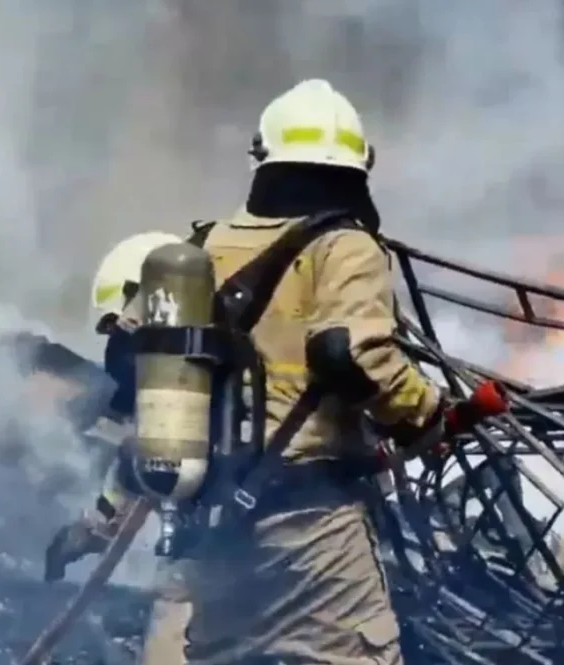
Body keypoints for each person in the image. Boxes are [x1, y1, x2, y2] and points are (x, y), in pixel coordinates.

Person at [180, 78, 446, 665]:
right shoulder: (343, 245)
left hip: (215, 526)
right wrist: (427, 413)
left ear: (263, 161)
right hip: (309, 524)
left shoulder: (201, 249)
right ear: (357, 168)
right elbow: (352, 354)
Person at [45, 230, 194, 665]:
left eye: (123, 324)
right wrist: (89, 531)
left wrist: (87, 532)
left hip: (226, 548)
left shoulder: (190, 371)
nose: (122, 345)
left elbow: (145, 459)